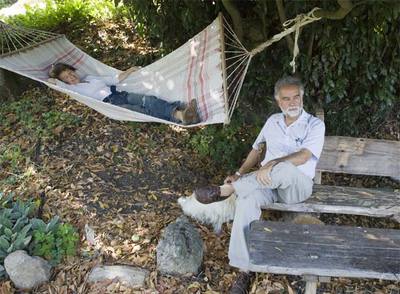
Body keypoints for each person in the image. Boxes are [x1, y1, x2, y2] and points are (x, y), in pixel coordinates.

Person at [194, 76, 325, 293]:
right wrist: (239, 173)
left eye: (296, 97)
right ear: (278, 101)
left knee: (284, 167)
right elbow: (256, 149)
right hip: (267, 185)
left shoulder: (314, 124)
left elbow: (303, 157)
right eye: (287, 98)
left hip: (297, 187)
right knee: (247, 201)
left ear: (302, 97)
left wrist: (272, 162)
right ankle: (245, 269)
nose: (293, 102)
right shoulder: (273, 121)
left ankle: (227, 191)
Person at [47, 63, 200, 125]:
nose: (70, 77)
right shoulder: (73, 89)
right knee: (145, 112)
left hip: (120, 94)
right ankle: (181, 114)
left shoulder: (90, 78)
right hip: (112, 105)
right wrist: (54, 78)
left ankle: (185, 114)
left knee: (149, 99)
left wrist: (129, 71)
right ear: (65, 82)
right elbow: (54, 83)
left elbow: (113, 78)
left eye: (69, 73)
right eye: (66, 78)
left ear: (73, 70)